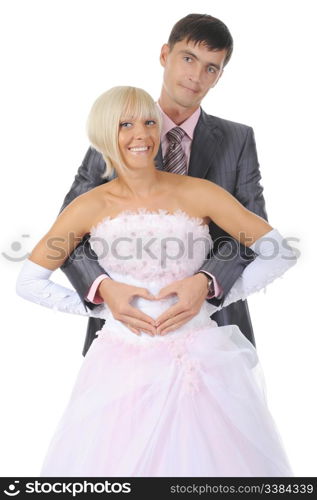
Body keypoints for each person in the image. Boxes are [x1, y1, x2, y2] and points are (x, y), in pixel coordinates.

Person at [16, 86, 297, 476]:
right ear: (103, 134)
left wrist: (211, 294)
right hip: (120, 368)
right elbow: (28, 282)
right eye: (125, 124)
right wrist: (102, 302)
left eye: (149, 122)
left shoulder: (199, 192)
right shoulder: (89, 205)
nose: (141, 135)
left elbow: (279, 251)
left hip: (200, 363)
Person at [59, 13, 267, 357]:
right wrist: (104, 287)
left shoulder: (238, 139)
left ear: (219, 76)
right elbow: (69, 231)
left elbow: (252, 230)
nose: (196, 76)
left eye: (211, 68)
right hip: (126, 325)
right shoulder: (114, 131)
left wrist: (206, 281)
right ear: (164, 55)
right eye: (188, 59)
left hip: (214, 322)